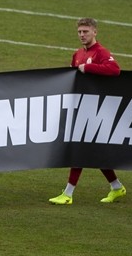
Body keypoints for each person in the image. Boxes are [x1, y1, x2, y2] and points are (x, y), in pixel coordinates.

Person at [48, 19, 127, 205]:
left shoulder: (101, 52)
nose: (82, 35)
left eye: (85, 31)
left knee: (80, 150)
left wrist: (88, 68)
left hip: (96, 110)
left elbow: (115, 70)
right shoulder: (77, 54)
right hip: (82, 109)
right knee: (94, 152)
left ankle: (68, 194)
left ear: (95, 32)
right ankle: (116, 187)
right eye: (79, 32)